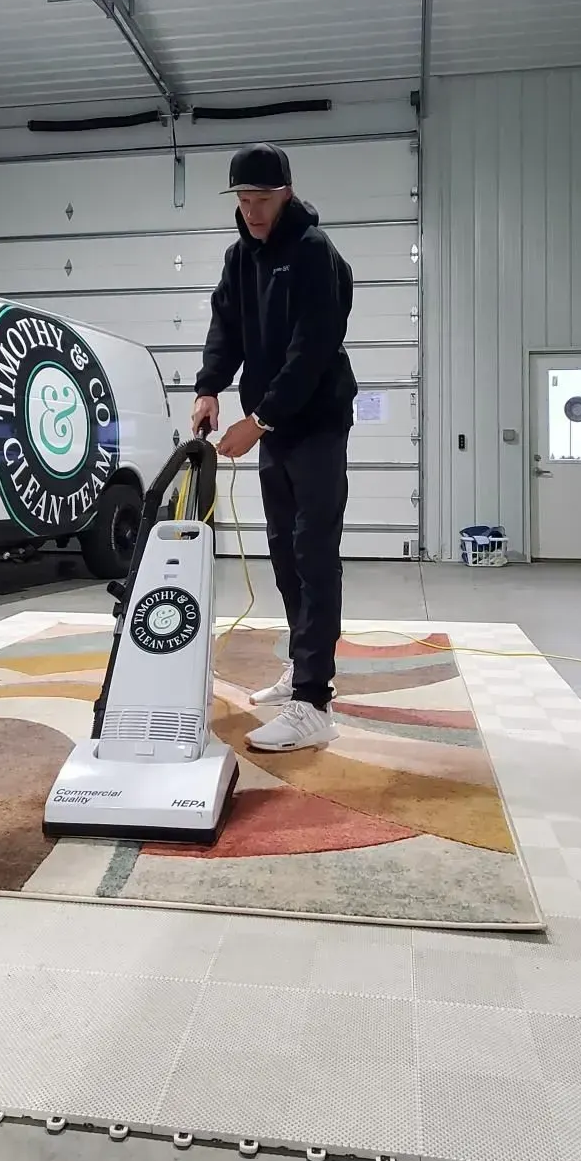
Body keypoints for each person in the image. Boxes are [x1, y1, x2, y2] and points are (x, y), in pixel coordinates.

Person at [191, 142, 356, 751]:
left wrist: (256, 419)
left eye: (261, 199)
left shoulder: (315, 255)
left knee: (314, 552)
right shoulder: (240, 258)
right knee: (284, 552)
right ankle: (302, 665)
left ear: (286, 192)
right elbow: (226, 326)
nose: (251, 210)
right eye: (242, 199)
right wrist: (209, 387)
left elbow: (311, 351)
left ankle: (316, 702)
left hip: (315, 423)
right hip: (275, 428)